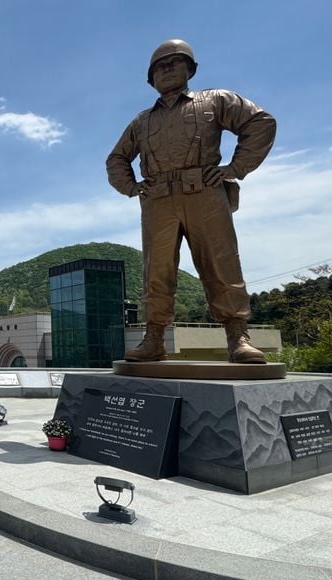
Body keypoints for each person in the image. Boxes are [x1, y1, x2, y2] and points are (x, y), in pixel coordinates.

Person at [106, 39, 276, 364]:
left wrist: (235, 168)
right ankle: (154, 337)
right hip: (157, 198)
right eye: (159, 66)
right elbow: (116, 159)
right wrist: (131, 187)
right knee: (157, 271)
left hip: (205, 191)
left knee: (221, 262)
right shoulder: (142, 121)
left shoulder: (215, 100)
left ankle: (237, 335)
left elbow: (260, 123)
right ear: (151, 78)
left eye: (174, 62)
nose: (166, 70)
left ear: (191, 69)